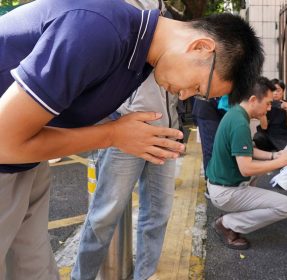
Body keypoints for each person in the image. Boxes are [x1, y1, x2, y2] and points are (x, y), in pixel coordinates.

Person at [0, 0, 264, 277]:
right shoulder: (98, 30)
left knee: (33, 267)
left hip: (27, 161)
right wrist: (113, 135)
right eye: (198, 86)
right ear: (201, 47)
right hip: (11, 155)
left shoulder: (141, 58)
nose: (184, 96)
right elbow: (4, 142)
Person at [72, 72, 178, 280]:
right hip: (128, 131)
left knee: (159, 214)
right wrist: (112, 120)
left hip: (166, 132)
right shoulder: (135, 40)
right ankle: (81, 277)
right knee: (104, 215)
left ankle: (144, 275)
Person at [206, 77, 287, 250]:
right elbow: (246, 168)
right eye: (268, 103)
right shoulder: (240, 123)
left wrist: (274, 156)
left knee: (259, 169)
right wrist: (281, 161)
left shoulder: (236, 113)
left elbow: (246, 150)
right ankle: (227, 223)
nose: (270, 108)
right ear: (253, 100)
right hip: (225, 192)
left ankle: (234, 213)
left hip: (220, 185)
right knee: (286, 206)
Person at [253, 79, 287, 151]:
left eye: (278, 90)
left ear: (283, 92)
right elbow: (264, 127)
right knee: (258, 137)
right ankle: (271, 151)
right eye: (273, 90)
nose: (275, 93)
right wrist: (264, 111)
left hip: (282, 137)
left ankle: (275, 150)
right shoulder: (265, 104)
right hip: (268, 136)